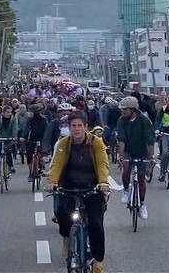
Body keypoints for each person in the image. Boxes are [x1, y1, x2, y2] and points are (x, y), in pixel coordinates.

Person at [47, 111, 109, 273]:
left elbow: (102, 163)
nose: (76, 129)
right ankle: (69, 239)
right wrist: (52, 181)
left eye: (79, 126)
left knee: (96, 223)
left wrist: (102, 182)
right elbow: (57, 163)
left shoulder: (96, 143)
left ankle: (98, 260)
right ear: (69, 128)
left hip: (92, 187)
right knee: (61, 215)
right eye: (73, 126)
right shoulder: (64, 144)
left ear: (85, 127)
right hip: (68, 186)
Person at [115, 96, 154, 220]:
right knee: (126, 168)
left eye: (125, 109)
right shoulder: (121, 120)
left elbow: (149, 140)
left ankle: (142, 204)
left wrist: (151, 157)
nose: (123, 111)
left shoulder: (144, 120)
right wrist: (121, 157)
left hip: (142, 151)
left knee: (141, 179)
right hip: (128, 150)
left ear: (133, 109)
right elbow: (121, 139)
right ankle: (126, 190)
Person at [0, 105, 21, 178]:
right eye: (7, 112)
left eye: (10, 112)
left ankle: (10, 166)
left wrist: (14, 136)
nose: (9, 114)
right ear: (3, 113)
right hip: (0, 139)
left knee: (8, 152)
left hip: (9, 139)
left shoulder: (13, 119)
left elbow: (15, 128)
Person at [23, 104, 49, 182]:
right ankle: (31, 172)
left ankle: (41, 166)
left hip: (41, 139)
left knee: (41, 153)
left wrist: (45, 140)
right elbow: (26, 129)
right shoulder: (30, 120)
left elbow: (47, 131)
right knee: (29, 156)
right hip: (32, 139)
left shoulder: (44, 120)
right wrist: (23, 137)